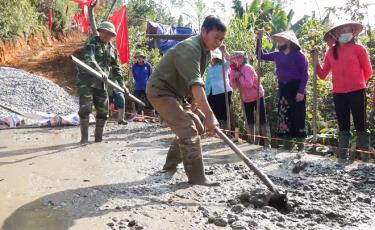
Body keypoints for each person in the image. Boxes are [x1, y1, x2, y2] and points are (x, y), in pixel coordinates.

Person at [146, 15, 227, 186]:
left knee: (197, 125)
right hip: (160, 91)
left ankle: (170, 165)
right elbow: (196, 84)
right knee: (188, 129)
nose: (218, 42)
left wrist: (195, 104)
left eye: (221, 39)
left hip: (175, 93)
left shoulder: (204, 50)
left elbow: (195, 80)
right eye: (216, 37)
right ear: (204, 31)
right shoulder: (190, 48)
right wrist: (210, 116)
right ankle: (197, 177)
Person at [312, 22, 373, 161]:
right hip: (339, 93)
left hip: (358, 91)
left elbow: (368, 72)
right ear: (336, 34)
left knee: (361, 124)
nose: (345, 32)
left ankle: (365, 157)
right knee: (343, 125)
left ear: (352, 32)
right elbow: (322, 74)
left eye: (347, 29)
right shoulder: (331, 51)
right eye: (342, 30)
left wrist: (358, 84)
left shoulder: (359, 49)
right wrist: (315, 60)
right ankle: (342, 158)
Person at [78, 21, 129, 144]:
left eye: (109, 33)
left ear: (112, 36)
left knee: (103, 112)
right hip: (87, 82)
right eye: (104, 32)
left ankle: (98, 140)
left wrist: (123, 85)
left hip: (102, 84)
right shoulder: (92, 43)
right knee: (86, 110)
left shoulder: (112, 50)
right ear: (100, 32)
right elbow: (89, 59)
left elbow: (117, 69)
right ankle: (84, 139)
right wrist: (100, 71)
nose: (106, 35)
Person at [256, 30, 309, 150]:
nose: (279, 43)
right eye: (278, 40)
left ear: (289, 42)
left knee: (298, 117)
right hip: (284, 89)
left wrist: (301, 91)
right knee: (284, 116)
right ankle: (287, 148)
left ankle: (301, 149)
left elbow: (305, 74)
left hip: (296, 89)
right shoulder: (277, 54)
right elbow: (260, 55)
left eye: (281, 40)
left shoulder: (299, 55)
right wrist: (259, 39)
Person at [229, 51, 267, 145]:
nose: (234, 61)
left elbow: (249, 84)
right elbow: (233, 86)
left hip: (257, 96)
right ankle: (253, 142)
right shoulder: (233, 69)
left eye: (236, 58)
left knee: (262, 120)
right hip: (246, 98)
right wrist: (234, 78)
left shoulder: (247, 68)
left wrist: (240, 76)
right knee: (249, 120)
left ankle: (267, 142)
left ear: (242, 59)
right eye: (233, 59)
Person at [205, 46, 232, 128]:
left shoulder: (223, 65)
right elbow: (207, 82)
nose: (213, 59)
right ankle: (216, 129)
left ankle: (225, 130)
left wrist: (225, 51)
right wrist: (206, 94)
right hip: (212, 93)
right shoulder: (210, 69)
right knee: (213, 111)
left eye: (214, 57)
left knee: (223, 112)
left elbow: (230, 60)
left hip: (223, 91)